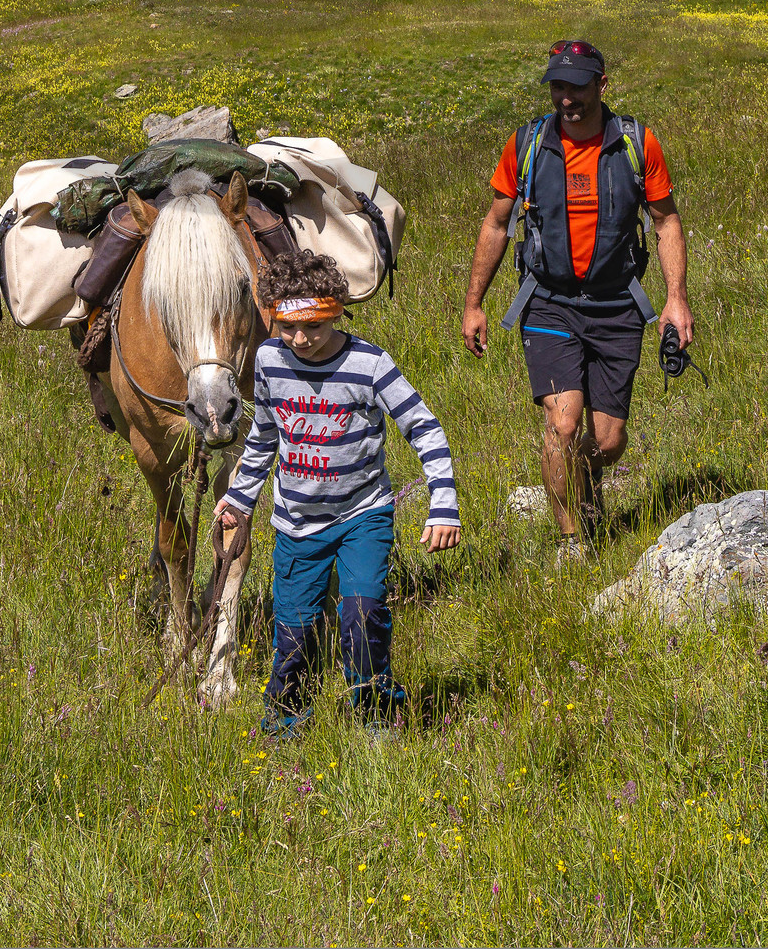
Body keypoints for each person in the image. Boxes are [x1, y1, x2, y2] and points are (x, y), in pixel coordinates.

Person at [461, 38, 693, 560]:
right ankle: (572, 543)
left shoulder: (637, 143)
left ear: (602, 85)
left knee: (607, 442)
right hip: (549, 301)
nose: (566, 97)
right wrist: (474, 302)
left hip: (616, 306)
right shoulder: (527, 145)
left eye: (577, 86)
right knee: (562, 422)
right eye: (557, 86)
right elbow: (497, 223)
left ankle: (587, 485)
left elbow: (666, 221)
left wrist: (675, 300)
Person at [217, 249, 461, 738]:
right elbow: (264, 436)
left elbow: (425, 428)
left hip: (362, 514)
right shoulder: (268, 360)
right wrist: (240, 501)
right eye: (287, 326)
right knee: (293, 633)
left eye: (314, 327)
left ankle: (377, 713)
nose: (300, 339)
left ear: (336, 313)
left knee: (363, 611)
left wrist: (443, 505)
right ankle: (286, 726)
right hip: (296, 524)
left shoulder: (368, 364)